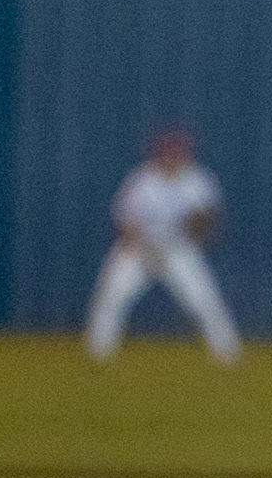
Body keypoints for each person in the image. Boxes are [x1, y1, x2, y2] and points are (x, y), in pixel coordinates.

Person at [83, 130, 241, 365]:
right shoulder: (143, 179)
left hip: (178, 249)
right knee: (112, 296)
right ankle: (99, 352)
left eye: (178, 154)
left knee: (203, 300)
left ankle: (227, 353)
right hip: (139, 248)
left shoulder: (198, 179)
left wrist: (196, 228)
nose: (173, 158)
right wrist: (145, 249)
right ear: (159, 155)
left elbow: (207, 221)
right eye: (168, 153)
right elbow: (124, 221)